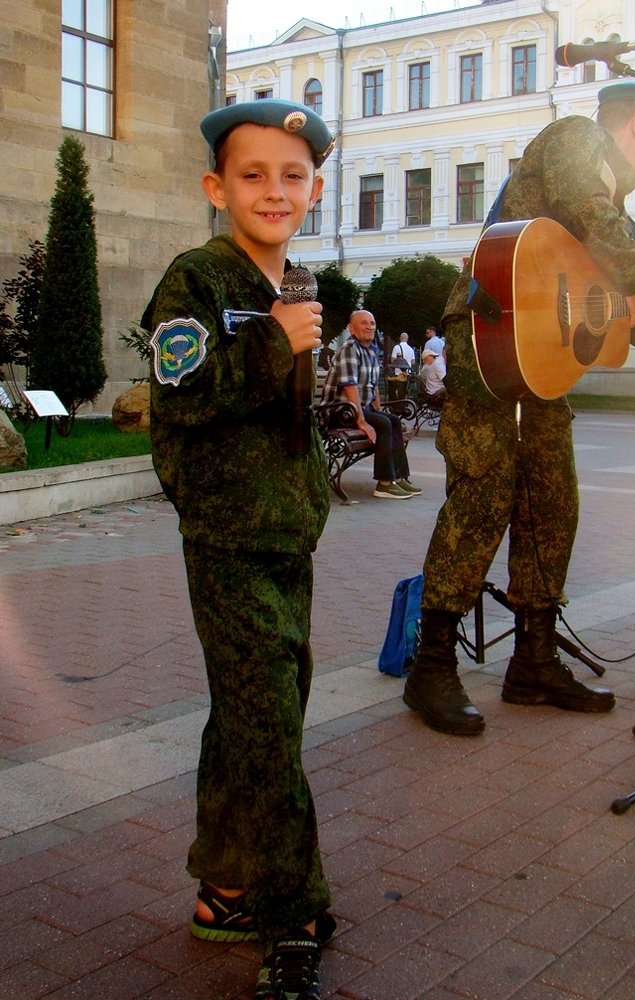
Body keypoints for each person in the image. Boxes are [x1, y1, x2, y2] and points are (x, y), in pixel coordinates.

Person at [403, 80, 635, 737]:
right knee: (484, 492)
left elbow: (627, 294)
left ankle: (533, 660)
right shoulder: (577, 140)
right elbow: (588, 209)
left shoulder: (611, 202)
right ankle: (432, 662)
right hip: (488, 328)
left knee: (552, 496)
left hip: (540, 352)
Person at [142, 98, 337, 999]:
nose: (274, 190)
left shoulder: (293, 289)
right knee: (266, 728)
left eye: (292, 175)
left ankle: (223, 890)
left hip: (285, 534)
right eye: (252, 174)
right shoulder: (197, 280)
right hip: (224, 537)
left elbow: (286, 419)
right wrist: (271, 346)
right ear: (216, 187)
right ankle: (291, 917)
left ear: (316, 190)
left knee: (257, 713)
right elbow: (176, 397)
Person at [322, 309, 422, 499]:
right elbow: (350, 388)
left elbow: (373, 386)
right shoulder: (350, 349)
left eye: (372, 323)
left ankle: (399, 478)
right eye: (364, 323)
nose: (370, 327)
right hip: (339, 411)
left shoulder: (370, 351)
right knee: (384, 424)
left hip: (356, 408)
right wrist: (363, 422)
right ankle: (384, 483)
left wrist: (378, 411)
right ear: (351, 328)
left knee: (392, 420)